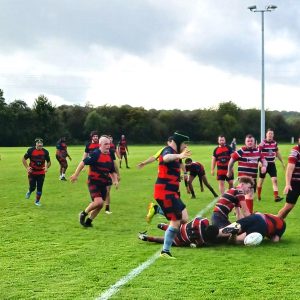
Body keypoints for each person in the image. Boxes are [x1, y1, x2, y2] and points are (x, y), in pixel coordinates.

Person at [154, 132, 191, 259]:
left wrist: (184, 173)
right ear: (178, 142)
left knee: (185, 218)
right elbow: (166, 158)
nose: (186, 146)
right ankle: (165, 251)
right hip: (165, 192)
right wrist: (179, 155)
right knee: (176, 221)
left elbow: (178, 164)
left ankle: (156, 210)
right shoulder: (168, 150)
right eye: (184, 144)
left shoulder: (177, 155)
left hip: (171, 192)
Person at [70, 136, 119, 227]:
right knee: (98, 202)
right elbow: (83, 162)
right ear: (100, 145)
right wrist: (76, 174)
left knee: (100, 205)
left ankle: (89, 221)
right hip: (93, 182)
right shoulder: (95, 154)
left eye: (109, 144)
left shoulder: (109, 156)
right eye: (106, 144)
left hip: (103, 184)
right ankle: (83, 213)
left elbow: (112, 170)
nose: (108, 146)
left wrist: (115, 180)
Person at [227, 134, 267, 213]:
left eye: (251, 141)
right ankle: (248, 213)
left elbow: (264, 160)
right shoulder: (241, 151)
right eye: (248, 141)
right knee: (247, 195)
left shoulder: (257, 151)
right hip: (243, 178)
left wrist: (264, 166)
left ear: (254, 142)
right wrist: (229, 170)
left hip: (252, 179)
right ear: (245, 142)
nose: (250, 142)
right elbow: (232, 160)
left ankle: (241, 210)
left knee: (249, 195)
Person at [138, 217, 219, 247]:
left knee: (179, 226)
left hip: (179, 228)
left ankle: (164, 226)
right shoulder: (202, 240)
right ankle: (148, 237)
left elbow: (198, 218)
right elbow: (194, 245)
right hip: (178, 240)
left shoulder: (202, 221)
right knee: (163, 240)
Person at [257, 128, 285, 202]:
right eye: (269, 133)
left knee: (274, 180)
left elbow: (277, 152)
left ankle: (276, 197)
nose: (270, 135)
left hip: (272, 164)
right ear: (266, 134)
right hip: (264, 165)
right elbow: (258, 152)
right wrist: (259, 161)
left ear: (273, 135)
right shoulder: (263, 143)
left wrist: (282, 161)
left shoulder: (274, 143)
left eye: (271, 134)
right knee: (261, 181)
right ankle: (258, 195)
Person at [221, 212, 286, 244]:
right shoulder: (282, 225)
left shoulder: (270, 215)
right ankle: (234, 234)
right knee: (238, 240)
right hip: (263, 225)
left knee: (222, 231)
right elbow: (275, 240)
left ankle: (216, 233)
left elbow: (257, 213)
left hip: (256, 217)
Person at [22, 138, 51, 206]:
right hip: (32, 172)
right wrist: (27, 167)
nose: (40, 145)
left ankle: (37, 201)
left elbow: (49, 162)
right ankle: (29, 191)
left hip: (41, 173)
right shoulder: (30, 150)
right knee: (32, 187)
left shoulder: (45, 152)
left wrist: (46, 167)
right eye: (38, 143)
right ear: (36, 144)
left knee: (40, 187)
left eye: (41, 144)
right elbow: (23, 159)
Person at [277, 137, 300, 219]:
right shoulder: (295, 151)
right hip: (295, 183)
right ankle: (275, 223)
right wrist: (287, 184)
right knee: (288, 207)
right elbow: (290, 168)